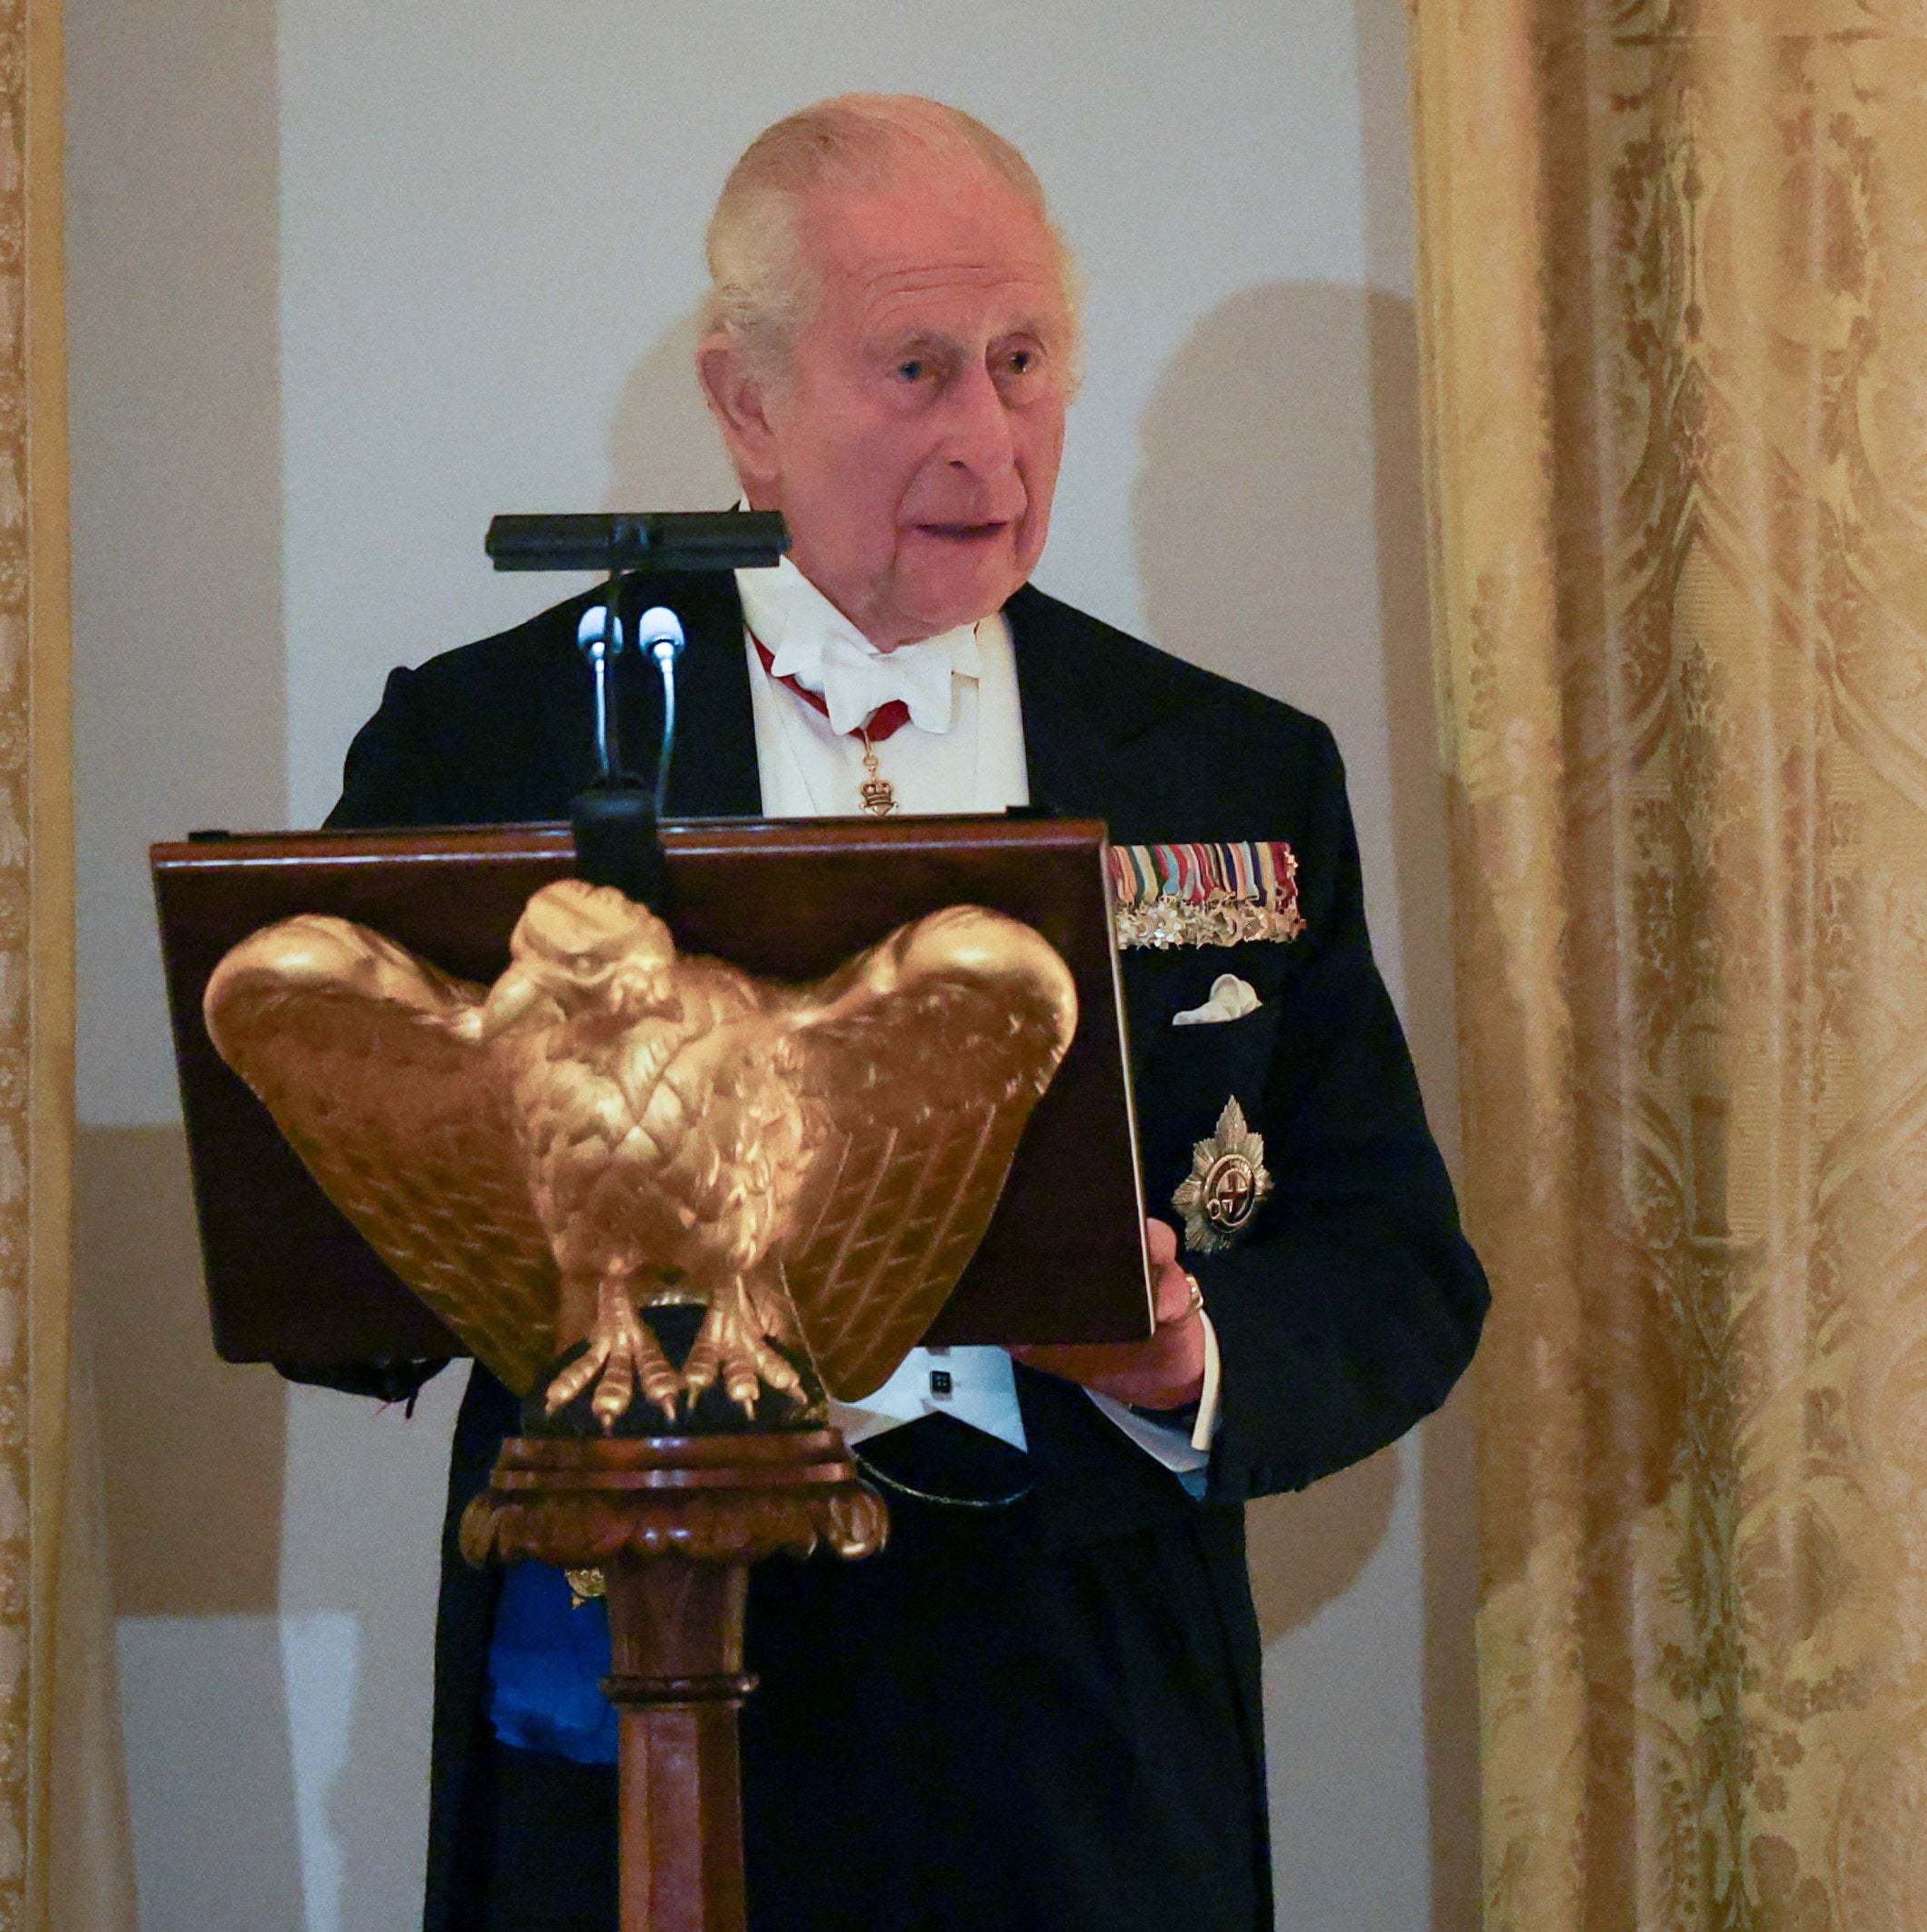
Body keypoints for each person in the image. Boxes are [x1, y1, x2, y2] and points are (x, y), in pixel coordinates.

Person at [299, 93, 1485, 1932]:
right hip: (635, 1664)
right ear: (746, 402)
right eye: (915, 367)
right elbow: (331, 1267)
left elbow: (1391, 1257)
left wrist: (1187, 1359)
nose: (987, 437)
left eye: (1023, 363)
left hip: (1076, 1697)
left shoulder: (1230, 764)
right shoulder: (500, 743)